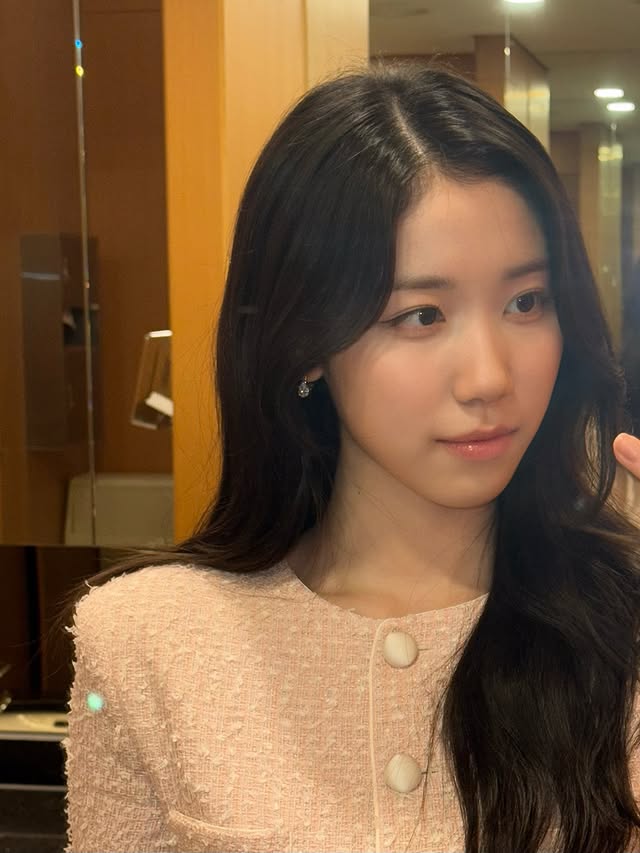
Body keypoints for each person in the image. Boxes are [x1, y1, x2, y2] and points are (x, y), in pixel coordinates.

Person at [60, 63, 640, 853]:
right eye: (421, 314)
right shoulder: (148, 639)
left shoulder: (620, 620)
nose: (490, 377)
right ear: (305, 340)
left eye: (526, 301)